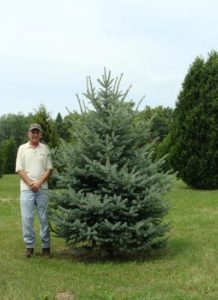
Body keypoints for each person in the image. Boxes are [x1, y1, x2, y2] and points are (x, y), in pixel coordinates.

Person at [15, 123, 53, 258]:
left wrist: (39, 182)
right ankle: (29, 247)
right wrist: (31, 183)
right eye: (33, 132)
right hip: (26, 189)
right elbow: (19, 169)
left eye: (37, 132)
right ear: (28, 134)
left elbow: (49, 169)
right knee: (27, 218)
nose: (35, 134)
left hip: (42, 189)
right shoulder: (22, 149)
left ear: (41, 134)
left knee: (43, 218)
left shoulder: (45, 148)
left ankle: (46, 248)